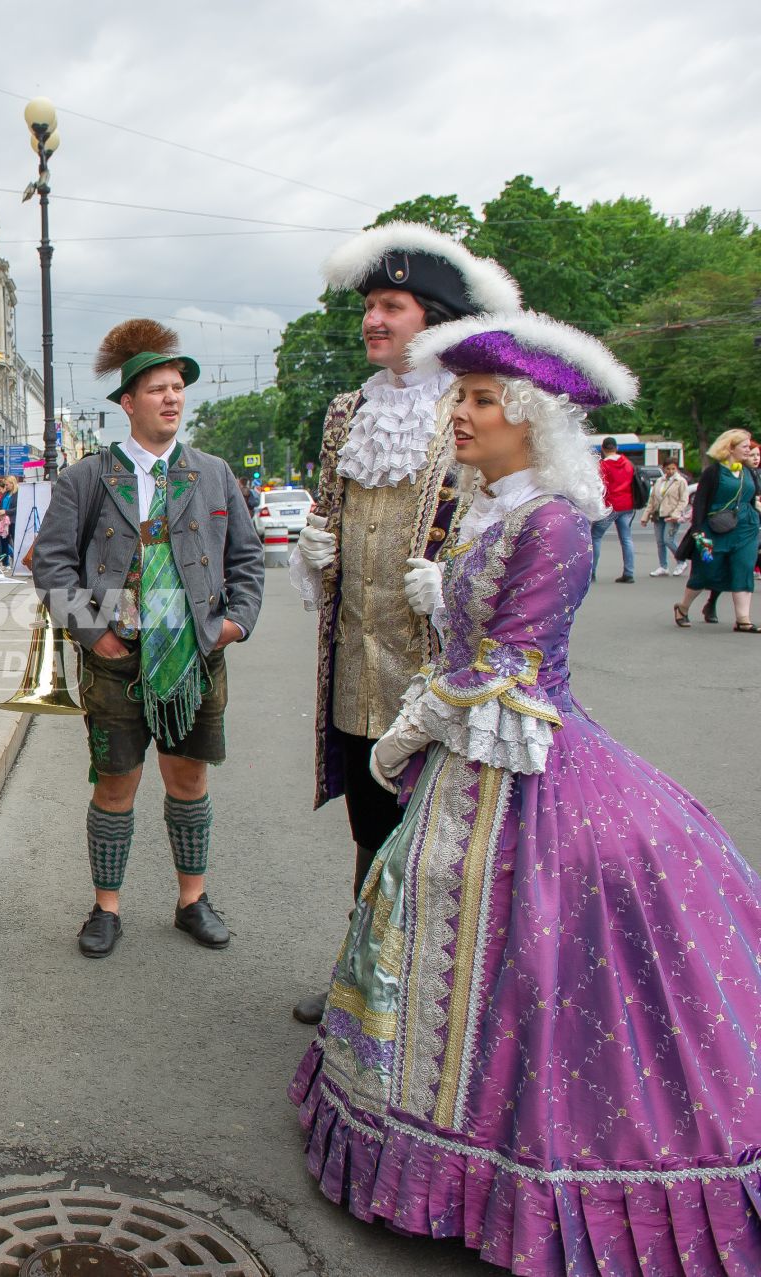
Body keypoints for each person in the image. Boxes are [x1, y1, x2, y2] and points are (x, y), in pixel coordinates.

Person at [291, 311, 761, 1276]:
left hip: (523, 762)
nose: (459, 415)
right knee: (445, 936)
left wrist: (412, 725)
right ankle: (421, 1134)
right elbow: (469, 639)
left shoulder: (551, 521)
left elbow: (511, 670)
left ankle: (507, 1157)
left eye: (478, 400)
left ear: (531, 418)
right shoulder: (490, 509)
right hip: (468, 757)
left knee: (534, 952)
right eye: (460, 396)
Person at [289, 223, 521, 1023]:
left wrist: (456, 582)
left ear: (435, 319)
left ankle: (427, 998)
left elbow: (516, 525)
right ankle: (360, 979)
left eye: (393, 305)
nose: (373, 320)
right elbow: (329, 507)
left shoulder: (473, 407)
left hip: (434, 667)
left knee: (436, 837)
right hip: (356, 661)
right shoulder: (346, 412)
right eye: (370, 306)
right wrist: (316, 547)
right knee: (370, 825)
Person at [30, 320, 264, 958]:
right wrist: (93, 633)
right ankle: (106, 907)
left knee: (189, 781)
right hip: (116, 662)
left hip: (197, 658)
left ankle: (193, 899)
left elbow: (246, 559)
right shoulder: (87, 478)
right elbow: (50, 564)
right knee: (115, 782)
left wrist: (235, 623)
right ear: (128, 403)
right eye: (158, 388)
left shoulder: (213, 474)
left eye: (178, 389)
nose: (172, 398)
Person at [673, 428, 759, 631]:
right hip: (714, 530)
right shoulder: (713, 472)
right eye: (745, 446)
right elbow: (701, 502)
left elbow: (755, 498)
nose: (749, 450)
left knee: (744, 569)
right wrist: (698, 531)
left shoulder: (749, 471)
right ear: (730, 448)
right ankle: (683, 608)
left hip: (747, 529)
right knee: (705, 571)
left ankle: (743, 620)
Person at [590, 435, 637, 582]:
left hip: (610, 506)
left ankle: (591, 572)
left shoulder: (603, 465)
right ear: (616, 448)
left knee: (596, 537)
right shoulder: (628, 464)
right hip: (627, 505)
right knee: (626, 539)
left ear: (603, 449)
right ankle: (629, 573)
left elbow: (599, 487)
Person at [642, 454, 690, 575]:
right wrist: (645, 517)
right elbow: (652, 500)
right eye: (668, 468)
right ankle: (663, 566)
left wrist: (676, 514)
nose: (670, 471)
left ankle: (681, 561)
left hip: (672, 516)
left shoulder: (680, 481)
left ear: (677, 469)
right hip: (658, 515)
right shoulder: (659, 481)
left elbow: (684, 500)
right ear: (663, 468)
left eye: (673, 468)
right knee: (660, 542)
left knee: (668, 540)